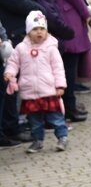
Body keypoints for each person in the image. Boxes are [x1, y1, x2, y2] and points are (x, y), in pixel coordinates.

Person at [3, 11, 69, 153]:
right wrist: (9, 73)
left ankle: (62, 137)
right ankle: (37, 140)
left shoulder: (51, 49)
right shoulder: (21, 48)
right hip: (30, 91)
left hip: (49, 90)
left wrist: (60, 85)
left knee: (55, 117)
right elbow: (13, 62)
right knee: (34, 121)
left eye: (42, 29)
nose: (39, 32)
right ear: (28, 31)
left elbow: (58, 68)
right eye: (35, 29)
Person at [43, 0, 91, 122]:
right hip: (67, 15)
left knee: (71, 64)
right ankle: (68, 107)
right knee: (68, 65)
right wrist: (85, 10)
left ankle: (70, 104)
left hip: (71, 14)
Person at [0, 0, 40, 146]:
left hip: (15, 31)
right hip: (9, 33)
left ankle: (12, 126)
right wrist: (42, 13)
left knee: (11, 83)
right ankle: (9, 127)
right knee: (9, 82)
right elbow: (15, 1)